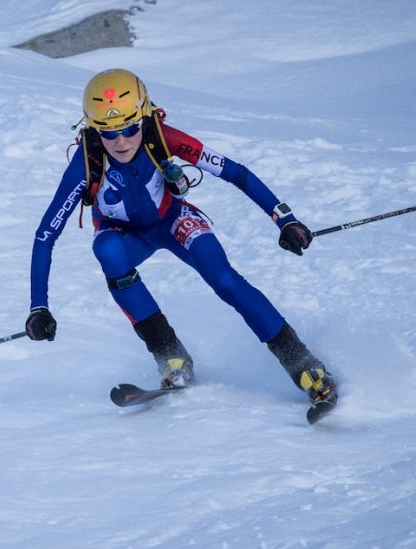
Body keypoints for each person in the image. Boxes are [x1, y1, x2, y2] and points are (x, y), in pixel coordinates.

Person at [25, 68, 336, 410]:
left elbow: (236, 172)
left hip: (172, 221)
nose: (121, 142)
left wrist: (284, 218)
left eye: (130, 128)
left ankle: (305, 366)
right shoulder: (87, 162)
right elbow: (46, 235)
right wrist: (39, 307)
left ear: (144, 117)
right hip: (126, 236)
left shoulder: (163, 136)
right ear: (93, 129)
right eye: (109, 133)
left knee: (224, 279)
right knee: (107, 249)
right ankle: (172, 357)